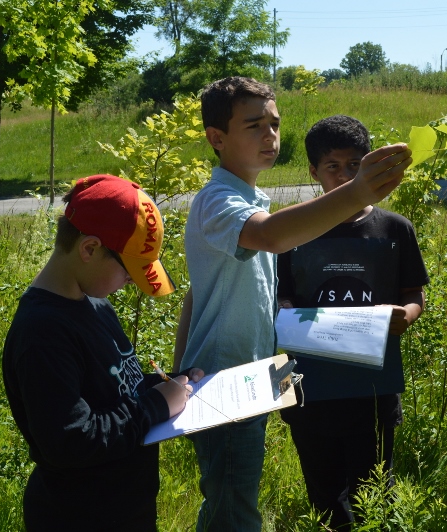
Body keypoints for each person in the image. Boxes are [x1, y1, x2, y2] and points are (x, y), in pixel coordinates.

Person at [173, 77, 412, 532]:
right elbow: (271, 235)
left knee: (237, 498)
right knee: (233, 510)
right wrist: (358, 192)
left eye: (275, 123)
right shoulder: (219, 201)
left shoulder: (251, 199)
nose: (270, 135)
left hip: (251, 379)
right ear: (216, 138)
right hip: (224, 382)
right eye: (254, 125)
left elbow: (197, 292)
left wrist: (181, 363)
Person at [2, 174, 205, 531]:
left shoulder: (95, 303)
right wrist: (156, 405)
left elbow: (112, 388)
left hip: (125, 509)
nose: (132, 283)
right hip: (80, 515)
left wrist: (168, 384)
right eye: (129, 272)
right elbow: (71, 440)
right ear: (90, 249)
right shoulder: (43, 333)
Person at [276, 115, 429, 530]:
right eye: (332, 167)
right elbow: (277, 294)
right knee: (324, 494)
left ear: (368, 166)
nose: (344, 176)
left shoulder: (395, 228)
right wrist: (285, 306)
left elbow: (413, 293)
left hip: (372, 391)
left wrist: (407, 316)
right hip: (308, 390)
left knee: (374, 492)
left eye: (354, 166)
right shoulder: (292, 230)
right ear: (313, 171)